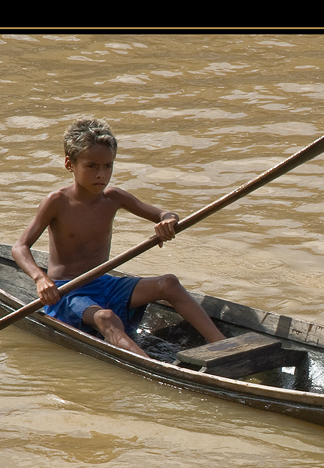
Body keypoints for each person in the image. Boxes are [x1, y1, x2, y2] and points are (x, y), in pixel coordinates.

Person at [11, 117, 225, 358]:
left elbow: (165, 214)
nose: (101, 174)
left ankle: (224, 346)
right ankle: (150, 368)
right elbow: (20, 247)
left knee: (169, 283)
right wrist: (40, 279)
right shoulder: (57, 201)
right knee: (106, 317)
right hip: (67, 292)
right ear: (70, 164)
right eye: (91, 166)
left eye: (108, 166)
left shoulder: (114, 198)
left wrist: (169, 221)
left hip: (104, 284)